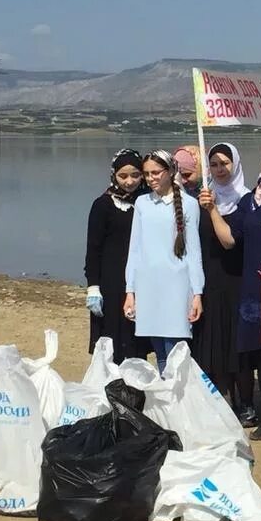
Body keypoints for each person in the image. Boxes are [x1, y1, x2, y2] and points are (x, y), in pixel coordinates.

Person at [202, 139, 261, 441]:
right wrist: (213, 211)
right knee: (259, 354)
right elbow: (230, 240)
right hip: (253, 287)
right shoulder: (251, 201)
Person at [124, 150, 204, 374]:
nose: (151, 178)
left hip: (177, 287)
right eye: (147, 174)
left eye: (156, 172)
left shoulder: (189, 204)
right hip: (148, 286)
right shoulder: (142, 203)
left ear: (170, 172)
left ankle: (180, 402)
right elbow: (135, 249)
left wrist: (197, 292)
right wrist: (130, 290)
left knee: (175, 352)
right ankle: (166, 403)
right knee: (159, 352)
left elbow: (194, 252)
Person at [84, 148, 152, 363]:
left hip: (141, 279)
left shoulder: (148, 202)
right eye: (123, 176)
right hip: (111, 282)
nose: (129, 181)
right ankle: (111, 388)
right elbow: (93, 249)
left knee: (137, 339)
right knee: (111, 339)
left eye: (135, 175)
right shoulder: (103, 205)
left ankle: (135, 388)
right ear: (114, 175)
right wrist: (93, 286)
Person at [194, 143, 247, 398]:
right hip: (208, 278)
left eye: (225, 163)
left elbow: (229, 242)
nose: (219, 169)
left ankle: (242, 399)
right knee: (210, 338)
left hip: (235, 278)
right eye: (213, 164)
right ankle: (215, 396)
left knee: (233, 341)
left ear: (235, 164)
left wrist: (212, 210)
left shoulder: (246, 199)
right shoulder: (202, 197)